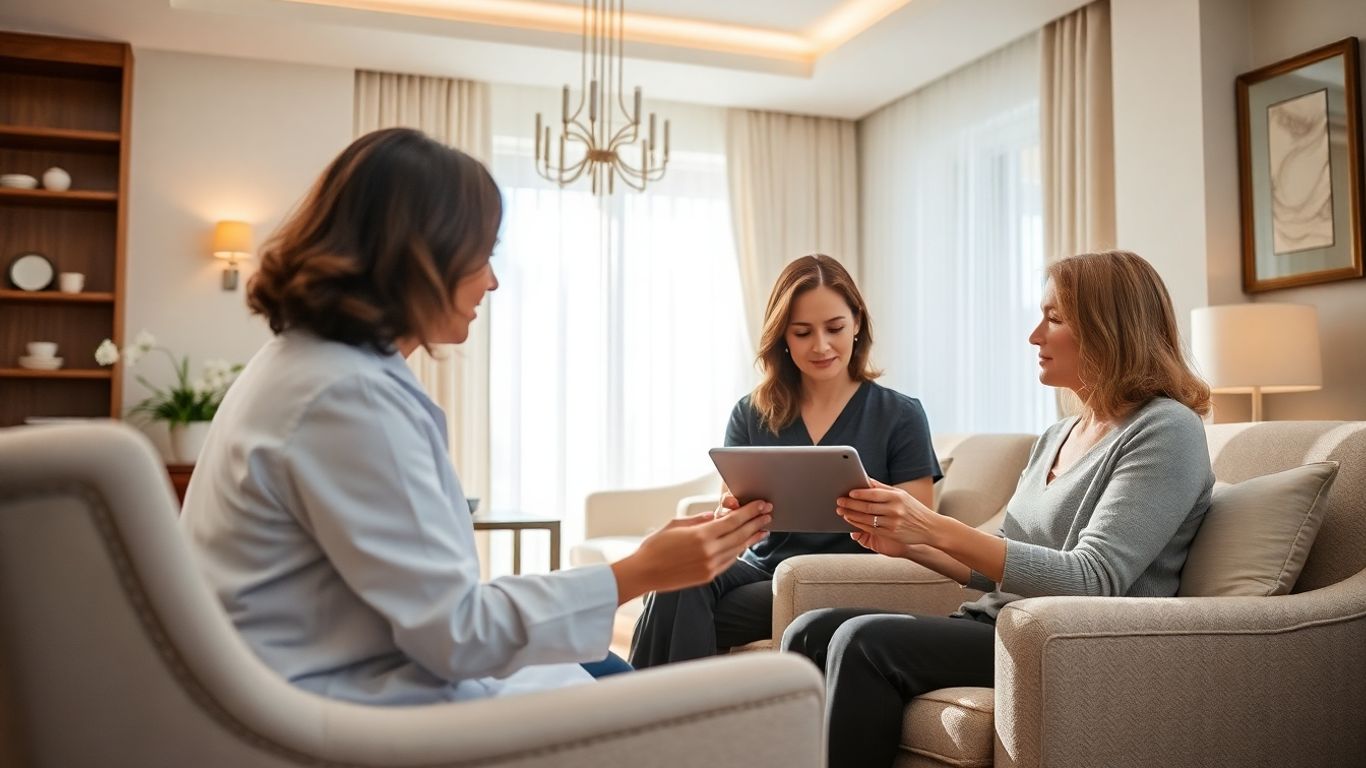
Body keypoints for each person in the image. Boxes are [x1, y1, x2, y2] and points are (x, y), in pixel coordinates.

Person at [178, 127, 773, 704]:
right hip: (346, 704)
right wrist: (635, 574)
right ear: (420, 257)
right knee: (668, 703)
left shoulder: (308, 367)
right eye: (482, 256)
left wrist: (636, 569)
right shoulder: (345, 396)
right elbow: (456, 634)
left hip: (331, 670)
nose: (491, 281)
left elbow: (439, 606)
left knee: (609, 668)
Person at [781, 250, 1215, 768]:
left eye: (1054, 319)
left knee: (863, 641)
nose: (1035, 336)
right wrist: (911, 544)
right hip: (1001, 622)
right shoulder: (1058, 435)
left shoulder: (1166, 430)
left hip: (1066, 641)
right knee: (810, 629)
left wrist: (932, 526)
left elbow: (1093, 578)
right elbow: (1001, 570)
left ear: (1109, 330)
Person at [629, 254, 941, 668]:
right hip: (760, 569)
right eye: (802, 332)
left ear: (858, 323)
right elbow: (729, 515)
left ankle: (642, 717)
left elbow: (919, 525)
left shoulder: (900, 415)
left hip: (842, 577)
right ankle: (672, 718)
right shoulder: (751, 412)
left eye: (834, 328)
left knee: (676, 607)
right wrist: (732, 512)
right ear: (783, 338)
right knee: (677, 578)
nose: (821, 346)